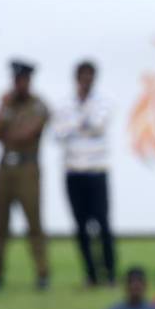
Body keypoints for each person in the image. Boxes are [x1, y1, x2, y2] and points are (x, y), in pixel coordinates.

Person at [54, 61, 116, 286]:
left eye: (90, 76)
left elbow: (98, 125)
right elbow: (58, 133)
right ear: (77, 78)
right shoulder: (64, 103)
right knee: (80, 226)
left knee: (103, 224)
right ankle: (91, 274)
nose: (86, 81)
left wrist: (76, 123)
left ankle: (109, 273)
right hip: (74, 172)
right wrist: (81, 123)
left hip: (96, 172)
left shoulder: (104, 101)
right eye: (83, 76)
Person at [0, 60, 50, 289]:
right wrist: (4, 111)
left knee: (34, 222)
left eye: (23, 80)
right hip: (5, 168)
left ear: (29, 81)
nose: (19, 84)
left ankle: (42, 272)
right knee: (0, 223)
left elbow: (26, 134)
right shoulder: (6, 103)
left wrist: (9, 132)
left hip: (27, 169)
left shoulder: (39, 105)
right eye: (16, 80)